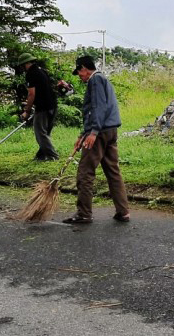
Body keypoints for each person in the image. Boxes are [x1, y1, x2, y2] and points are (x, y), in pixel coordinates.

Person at [63, 56, 130, 224]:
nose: (79, 76)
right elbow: (94, 109)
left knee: (85, 172)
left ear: (85, 68)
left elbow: (98, 107)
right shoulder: (102, 80)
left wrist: (92, 132)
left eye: (79, 72)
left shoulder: (96, 80)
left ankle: (84, 213)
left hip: (99, 133)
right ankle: (123, 211)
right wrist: (82, 133)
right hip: (110, 131)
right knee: (113, 171)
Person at [17, 53, 59, 161]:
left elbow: (31, 94)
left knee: (40, 132)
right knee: (45, 132)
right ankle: (41, 156)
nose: (22, 68)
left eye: (22, 65)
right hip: (52, 105)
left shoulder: (31, 73)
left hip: (43, 107)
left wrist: (27, 111)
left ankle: (52, 156)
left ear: (26, 63)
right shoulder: (42, 71)